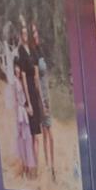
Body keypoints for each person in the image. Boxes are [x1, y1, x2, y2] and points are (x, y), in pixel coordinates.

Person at [17, 13, 43, 173]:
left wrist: (39, 97)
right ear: (21, 35)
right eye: (24, 33)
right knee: (30, 133)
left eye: (27, 32)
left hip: (34, 92)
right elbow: (25, 79)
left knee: (36, 134)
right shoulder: (21, 52)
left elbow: (35, 75)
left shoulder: (32, 51)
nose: (26, 35)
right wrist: (28, 102)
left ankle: (37, 166)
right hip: (29, 95)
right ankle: (31, 167)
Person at [31, 20, 55, 175]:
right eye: (33, 32)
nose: (35, 35)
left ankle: (51, 166)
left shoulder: (40, 51)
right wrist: (42, 103)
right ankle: (49, 167)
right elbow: (36, 80)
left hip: (46, 96)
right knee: (47, 135)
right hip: (42, 99)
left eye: (35, 31)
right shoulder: (33, 55)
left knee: (49, 135)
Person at [12, 56, 36, 180]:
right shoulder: (15, 82)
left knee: (27, 141)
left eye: (19, 67)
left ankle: (28, 168)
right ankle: (24, 168)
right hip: (20, 115)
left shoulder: (21, 81)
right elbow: (15, 101)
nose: (17, 69)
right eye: (16, 67)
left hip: (23, 113)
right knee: (23, 142)